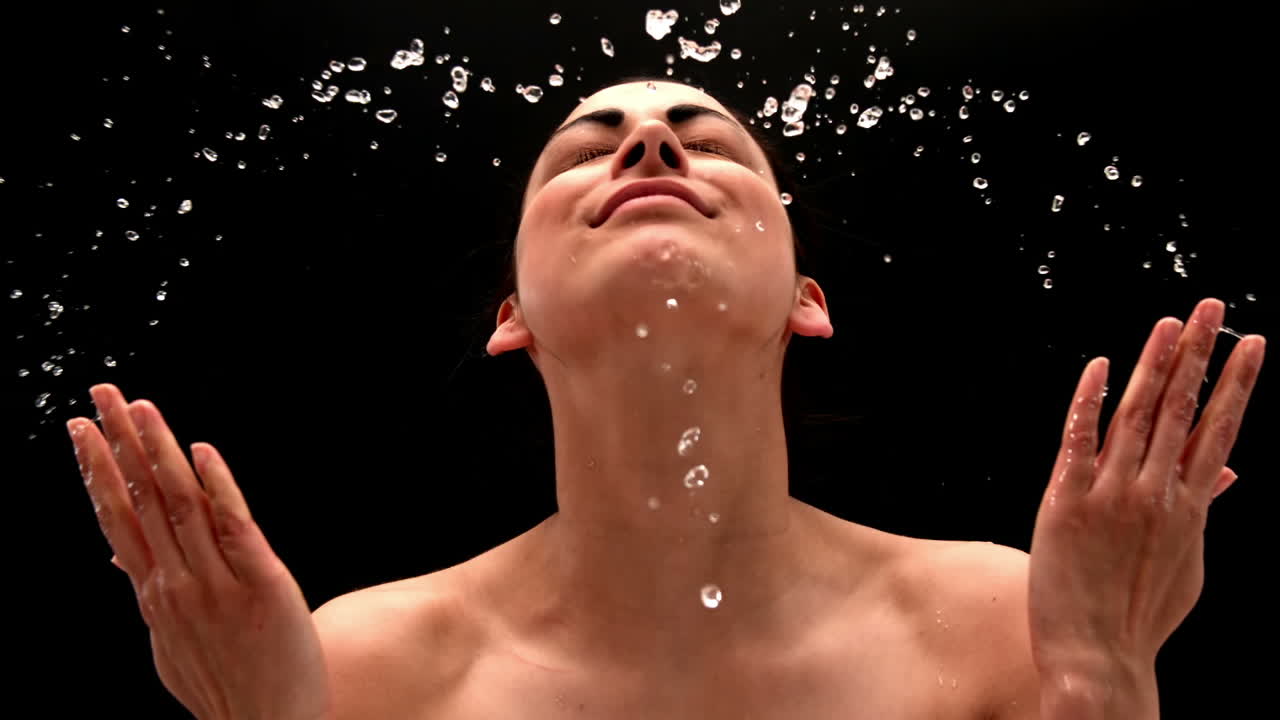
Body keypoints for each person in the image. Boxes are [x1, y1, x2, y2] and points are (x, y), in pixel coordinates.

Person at [66, 80, 1266, 720]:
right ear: (510, 315)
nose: (649, 149)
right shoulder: (369, 671)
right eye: (589, 147)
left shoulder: (1000, 625)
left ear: (806, 298)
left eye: (708, 141)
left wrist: (1101, 682)